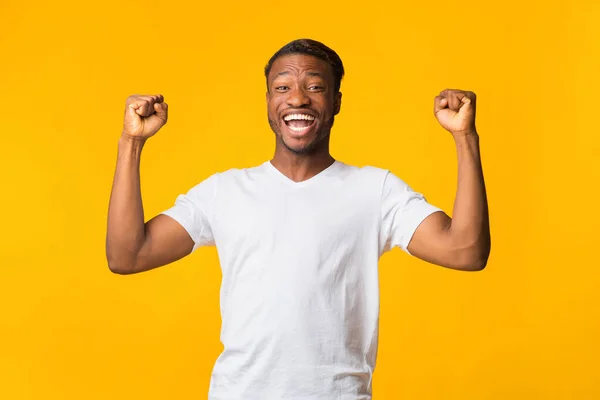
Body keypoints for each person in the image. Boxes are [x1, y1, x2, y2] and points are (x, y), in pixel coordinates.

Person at [106, 38, 490, 399]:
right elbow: (128, 256)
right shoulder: (224, 191)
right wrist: (132, 142)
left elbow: (466, 252)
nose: (298, 98)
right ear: (268, 100)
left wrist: (464, 136)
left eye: (315, 87)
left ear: (337, 101)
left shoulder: (375, 191)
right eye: (283, 87)